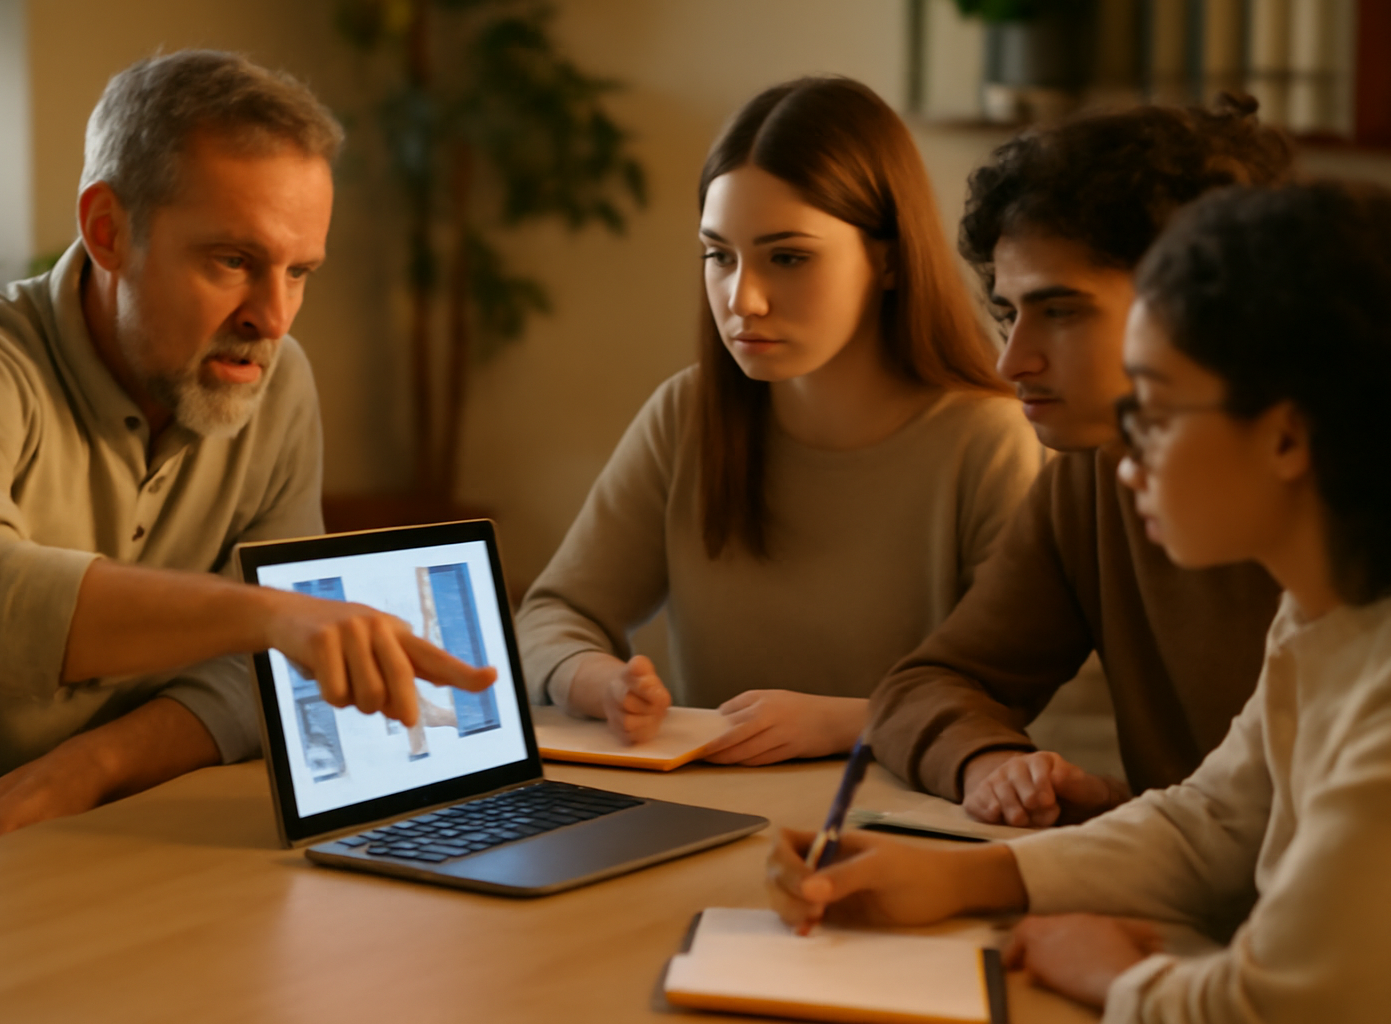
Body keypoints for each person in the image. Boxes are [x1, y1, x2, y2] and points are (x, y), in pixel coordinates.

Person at [0, 51, 494, 878]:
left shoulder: (277, 378)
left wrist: (86, 768)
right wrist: (269, 615)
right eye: (233, 260)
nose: (272, 317)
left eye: (298, 272)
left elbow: (251, 676)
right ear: (108, 230)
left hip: (120, 830)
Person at [769, 179, 1391, 1021]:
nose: (1126, 455)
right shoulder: (1325, 611)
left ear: (1285, 437)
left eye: (1158, 413)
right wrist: (962, 875)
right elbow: (1213, 823)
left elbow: (1278, 1011)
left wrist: (1108, 973)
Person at [516, 76, 1042, 764]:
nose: (744, 299)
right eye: (718, 256)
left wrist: (851, 723)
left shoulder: (990, 440)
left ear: (888, 258)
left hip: (906, 823)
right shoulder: (687, 415)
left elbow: (1013, 687)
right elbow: (552, 615)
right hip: (709, 812)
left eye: (788, 258)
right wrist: (597, 681)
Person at [866, 97, 1291, 826]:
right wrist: (989, 765)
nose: (1011, 361)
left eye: (1061, 311)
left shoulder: (1339, 495)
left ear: (1200, 302)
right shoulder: (1092, 473)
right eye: (1009, 313)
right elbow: (931, 683)